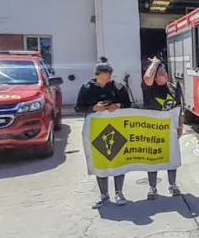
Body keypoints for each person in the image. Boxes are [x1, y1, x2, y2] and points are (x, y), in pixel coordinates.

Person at [75, 57, 132, 208]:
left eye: (109, 76)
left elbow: (128, 104)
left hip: (117, 128)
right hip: (95, 129)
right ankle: (104, 195)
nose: (106, 79)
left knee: (118, 159)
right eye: (103, 76)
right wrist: (93, 108)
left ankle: (119, 192)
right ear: (96, 75)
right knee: (100, 161)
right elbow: (78, 108)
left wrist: (117, 105)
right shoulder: (87, 88)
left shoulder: (118, 87)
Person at [142, 57, 183, 200]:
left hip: (170, 130)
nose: (165, 74)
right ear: (155, 76)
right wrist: (155, 63)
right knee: (152, 160)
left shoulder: (173, 88)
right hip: (152, 131)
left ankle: (172, 185)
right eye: (161, 72)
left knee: (172, 159)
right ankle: (152, 187)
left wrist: (180, 126)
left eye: (165, 71)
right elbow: (147, 78)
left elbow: (179, 108)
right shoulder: (150, 88)